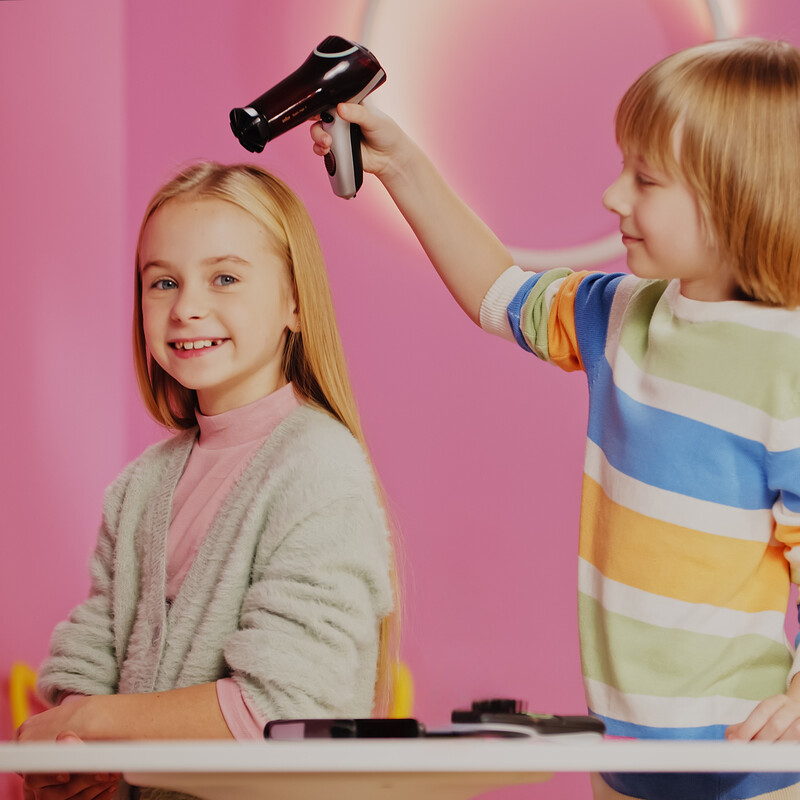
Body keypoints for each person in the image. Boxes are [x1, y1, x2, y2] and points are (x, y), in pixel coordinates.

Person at [310, 37, 800, 800]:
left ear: (737, 197)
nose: (613, 197)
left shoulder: (786, 368)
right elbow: (498, 291)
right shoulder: (617, 314)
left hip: (752, 772)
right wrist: (399, 163)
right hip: (627, 763)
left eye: (645, 179)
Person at [16, 162, 397, 800]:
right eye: (163, 282)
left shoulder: (318, 466)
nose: (187, 307)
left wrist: (91, 723)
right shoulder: (139, 486)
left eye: (224, 278)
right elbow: (90, 648)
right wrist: (72, 751)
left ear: (294, 303)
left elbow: (286, 709)